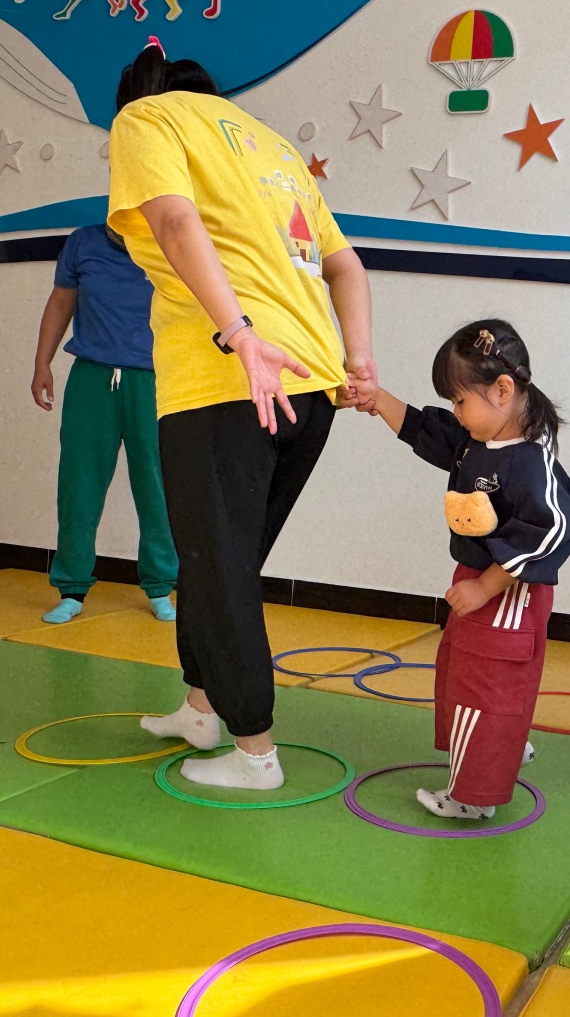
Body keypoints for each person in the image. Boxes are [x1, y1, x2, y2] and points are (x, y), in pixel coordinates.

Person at [107, 44, 375, 791]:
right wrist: (361, 362)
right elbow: (346, 263)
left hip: (227, 383)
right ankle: (201, 708)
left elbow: (173, 223)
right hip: (313, 384)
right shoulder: (273, 147)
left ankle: (255, 752)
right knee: (219, 558)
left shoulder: (146, 118)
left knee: (219, 566)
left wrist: (240, 334)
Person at [349, 321, 570, 819]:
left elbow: (552, 528)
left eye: (462, 401)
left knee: (486, 686)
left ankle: (473, 798)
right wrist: (376, 399)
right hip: (481, 583)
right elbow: (426, 429)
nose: (457, 414)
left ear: (502, 391)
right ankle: (504, 747)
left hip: (506, 592)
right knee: (466, 676)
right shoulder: (476, 438)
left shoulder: (528, 461)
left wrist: (487, 585)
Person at [31, 223, 178, 625]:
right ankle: (72, 588)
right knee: (79, 484)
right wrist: (42, 362)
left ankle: (161, 586)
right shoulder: (85, 242)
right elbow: (62, 301)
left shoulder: (174, 239)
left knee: (157, 484)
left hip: (155, 380)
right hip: (92, 378)